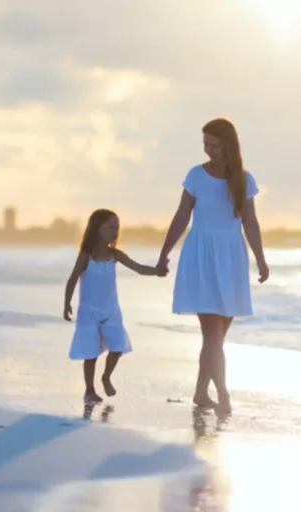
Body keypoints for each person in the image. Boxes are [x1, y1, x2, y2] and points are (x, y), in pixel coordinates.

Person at [157, 118, 269, 415]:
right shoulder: (196, 175)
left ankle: (200, 392)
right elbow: (181, 216)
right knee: (212, 334)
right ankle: (222, 394)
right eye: (205, 144)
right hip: (201, 256)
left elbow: (251, 222)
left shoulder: (244, 180)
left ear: (228, 145)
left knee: (218, 335)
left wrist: (261, 259)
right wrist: (164, 252)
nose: (208, 150)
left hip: (231, 257)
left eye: (214, 145)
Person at [64, 208, 168, 403]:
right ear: (97, 229)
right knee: (90, 354)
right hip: (89, 312)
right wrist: (67, 303)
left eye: (117, 228)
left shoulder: (115, 255)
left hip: (110, 311)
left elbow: (139, 268)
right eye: (110, 227)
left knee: (118, 345)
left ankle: (106, 377)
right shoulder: (86, 256)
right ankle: (89, 390)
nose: (115, 231)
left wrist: (157, 271)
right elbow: (73, 279)